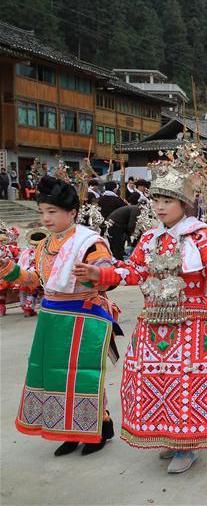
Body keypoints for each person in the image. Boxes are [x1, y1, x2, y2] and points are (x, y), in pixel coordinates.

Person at [74, 143, 207, 474]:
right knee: (156, 378)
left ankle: (186, 443)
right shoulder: (149, 238)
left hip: (193, 318)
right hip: (155, 320)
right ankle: (169, 433)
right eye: (157, 201)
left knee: (187, 378)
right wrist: (100, 273)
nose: (160, 207)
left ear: (184, 203)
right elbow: (133, 271)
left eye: (167, 201)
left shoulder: (200, 234)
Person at [0, 176, 119, 455]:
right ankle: (69, 431)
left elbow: (107, 278)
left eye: (52, 212)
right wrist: (8, 268)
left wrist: (95, 276)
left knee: (84, 377)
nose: (46, 218)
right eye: (42, 211)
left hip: (85, 316)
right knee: (56, 377)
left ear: (72, 213)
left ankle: (98, 430)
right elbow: (36, 280)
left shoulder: (90, 243)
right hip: (53, 318)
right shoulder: (43, 245)